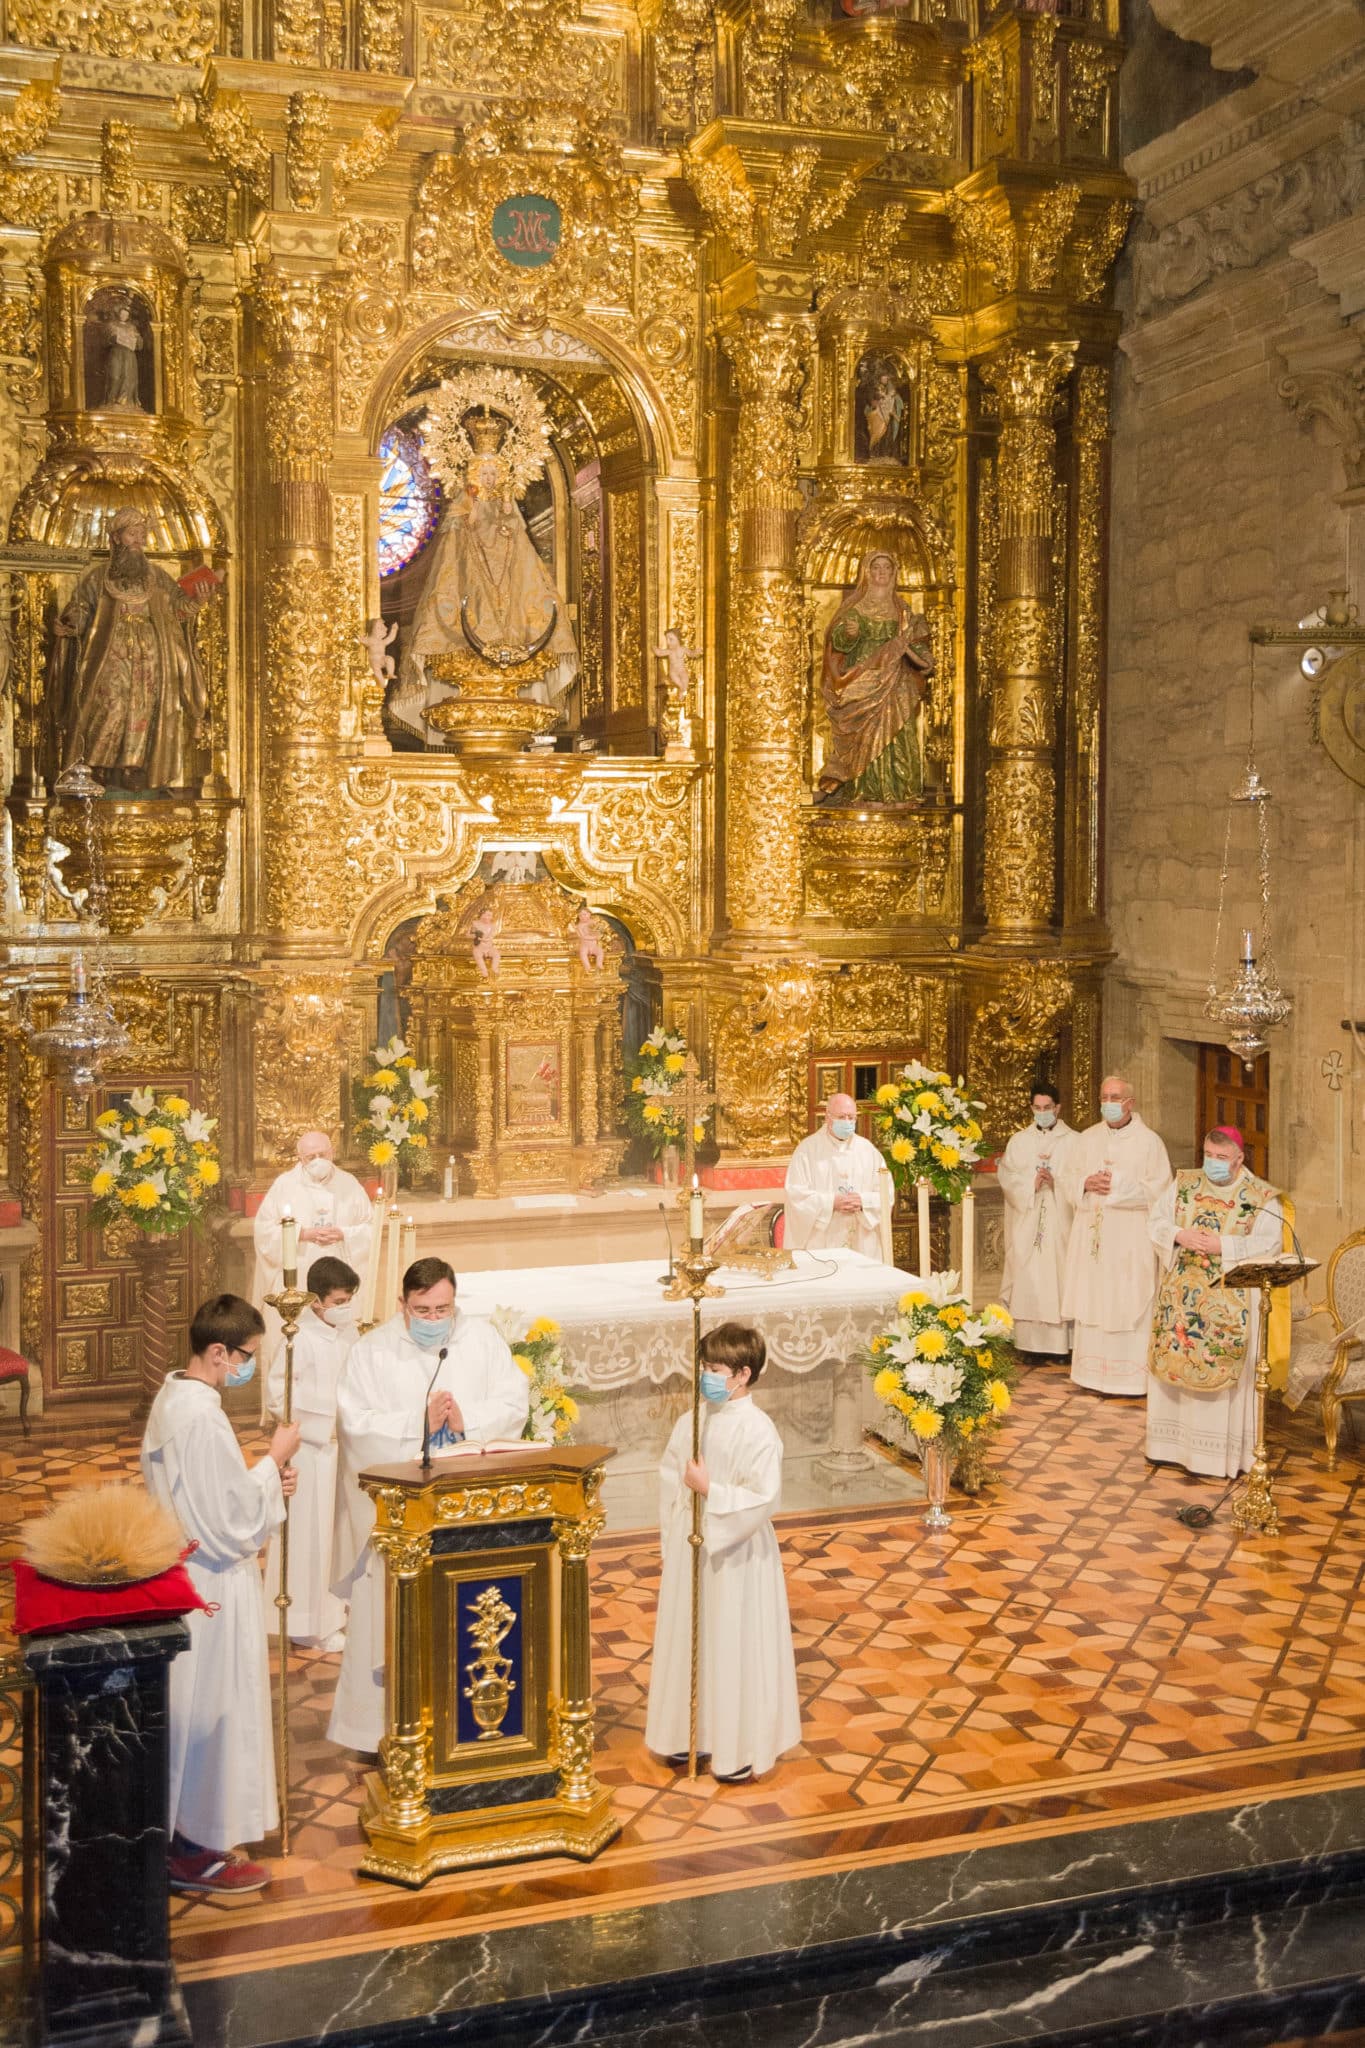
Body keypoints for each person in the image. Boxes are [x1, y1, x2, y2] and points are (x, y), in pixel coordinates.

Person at [328, 1256, 530, 1753]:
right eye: (423, 1310)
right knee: (389, 1616)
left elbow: (514, 1402)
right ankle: (375, 1730)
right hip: (401, 1513)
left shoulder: (480, 1340)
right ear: (402, 1305)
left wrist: (468, 1420)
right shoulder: (371, 1352)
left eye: (443, 1309)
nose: (434, 1319)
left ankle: (465, 1722)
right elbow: (355, 1424)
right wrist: (416, 1421)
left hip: (465, 1506)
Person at [140, 1294, 299, 1894]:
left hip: (189, 1573)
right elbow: (228, 1522)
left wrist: (263, 1481)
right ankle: (194, 1848)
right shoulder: (201, 1416)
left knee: (201, 1709)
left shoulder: (175, 1394)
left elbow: (215, 1494)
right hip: (212, 1580)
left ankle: (190, 1836)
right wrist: (273, 1464)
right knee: (214, 1710)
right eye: (246, 1357)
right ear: (217, 1352)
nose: (248, 1367)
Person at [645, 1323, 801, 1784]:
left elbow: (764, 1497)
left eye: (714, 1369)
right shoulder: (693, 1418)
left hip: (736, 1555)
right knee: (692, 1635)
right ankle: (687, 1732)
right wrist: (677, 1529)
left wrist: (711, 1489)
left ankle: (737, 1747)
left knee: (732, 1641)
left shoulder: (759, 1430)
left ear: (742, 1374)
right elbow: (670, 1474)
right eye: (704, 1367)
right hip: (692, 1545)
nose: (706, 1377)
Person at [1146, 1126, 1283, 1477]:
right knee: (1178, 1360)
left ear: (1239, 1159)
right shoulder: (1185, 1184)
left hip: (1228, 1304)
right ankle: (1169, 1448)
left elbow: (1270, 1244)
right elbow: (1156, 1221)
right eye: (1209, 1156)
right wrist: (1180, 1234)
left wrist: (1226, 1246)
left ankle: (1215, 1457)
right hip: (1181, 1299)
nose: (1213, 1164)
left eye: (1222, 1159)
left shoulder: (1262, 1197)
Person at [51, 505, 211, 792]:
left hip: (151, 659)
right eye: (132, 534)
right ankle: (97, 765)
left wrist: (197, 601)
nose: (139, 540)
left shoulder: (158, 577)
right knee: (108, 706)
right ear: (115, 538)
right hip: (108, 658)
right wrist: (69, 626)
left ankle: (133, 767)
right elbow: (81, 609)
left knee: (143, 711)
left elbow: (178, 609)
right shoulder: (99, 578)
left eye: (141, 534)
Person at [261, 1257, 359, 1652]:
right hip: (310, 1452)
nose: (346, 1306)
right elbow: (279, 1396)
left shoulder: (348, 1334)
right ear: (316, 1301)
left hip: (341, 1450)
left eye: (350, 1298)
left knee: (336, 1535)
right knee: (309, 1537)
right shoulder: (296, 1337)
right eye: (339, 1299)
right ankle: (305, 1622)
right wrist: (327, 1419)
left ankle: (334, 1613)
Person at [1059, 1075, 1173, 1396]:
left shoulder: (1150, 1142)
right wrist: (1084, 1182)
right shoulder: (1087, 1138)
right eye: (1104, 1096)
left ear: (1130, 1103)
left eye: (1115, 1097)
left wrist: (1117, 1186)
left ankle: (1129, 1379)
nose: (1107, 1103)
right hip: (1093, 1242)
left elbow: (1161, 1191)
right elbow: (1066, 1177)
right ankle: (1090, 1375)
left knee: (1126, 1298)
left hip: (1129, 1242)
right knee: (1094, 1295)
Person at [252, 1131, 373, 1388]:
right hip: (296, 1279)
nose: (318, 1160)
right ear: (300, 1158)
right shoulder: (285, 1185)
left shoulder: (349, 1184)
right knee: (292, 1345)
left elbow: (371, 1227)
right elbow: (264, 1232)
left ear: (332, 1152)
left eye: (323, 1154)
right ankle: (285, 1410)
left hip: (338, 1281)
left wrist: (344, 1233)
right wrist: (301, 1234)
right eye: (311, 1156)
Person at [816, 551, 934, 804]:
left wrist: (919, 657)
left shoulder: (902, 611)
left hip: (895, 682)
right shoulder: (854, 608)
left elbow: (916, 643)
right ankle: (864, 791)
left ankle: (898, 791)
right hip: (862, 676)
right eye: (876, 568)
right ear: (867, 573)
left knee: (897, 733)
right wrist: (850, 634)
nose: (881, 573)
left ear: (894, 573)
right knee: (862, 733)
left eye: (886, 568)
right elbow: (838, 642)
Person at [996, 1084, 1077, 1364]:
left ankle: (1062, 1346)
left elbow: (1080, 1180)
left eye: (1047, 1108)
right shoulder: (1019, 1141)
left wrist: (1058, 1183)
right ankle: (1029, 1345)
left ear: (1058, 1108)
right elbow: (1007, 1177)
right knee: (1029, 1275)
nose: (1042, 1113)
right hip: (1028, 1220)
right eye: (1037, 1108)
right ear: (1031, 1108)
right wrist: (1030, 1184)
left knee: (1058, 1275)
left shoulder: (1074, 1141)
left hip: (1059, 1221)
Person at [783, 1092, 888, 1258]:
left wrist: (863, 1201)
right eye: (842, 1116)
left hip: (862, 1242)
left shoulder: (868, 1150)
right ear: (828, 1117)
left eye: (851, 1117)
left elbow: (886, 1193)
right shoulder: (807, 1150)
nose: (847, 1122)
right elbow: (796, 1196)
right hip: (822, 1244)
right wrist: (831, 1202)